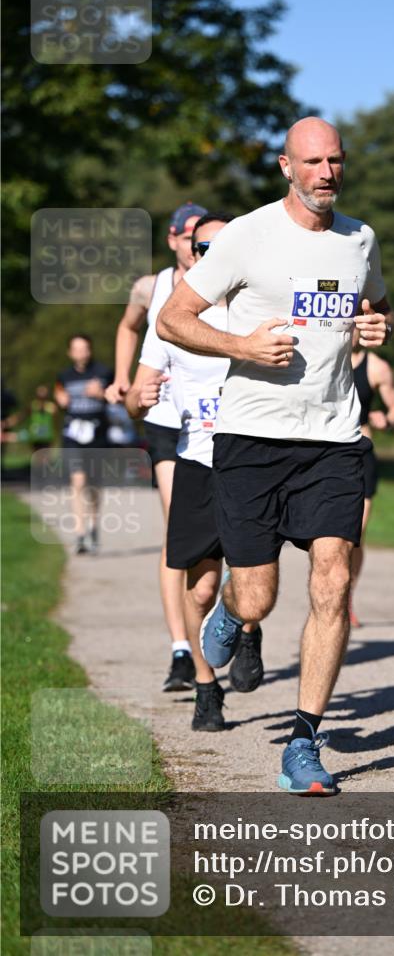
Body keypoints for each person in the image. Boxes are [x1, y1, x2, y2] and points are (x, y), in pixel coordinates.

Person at [157, 116, 394, 794]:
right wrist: (240, 346)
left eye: (336, 161)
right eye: (312, 161)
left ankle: (303, 741)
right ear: (286, 167)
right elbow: (176, 317)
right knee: (258, 597)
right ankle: (233, 613)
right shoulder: (245, 236)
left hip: (332, 438)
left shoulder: (359, 238)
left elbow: (378, 307)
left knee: (333, 580)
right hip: (252, 438)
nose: (326, 173)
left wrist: (379, 324)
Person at [126, 212, 263, 729]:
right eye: (203, 246)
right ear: (189, 251)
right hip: (198, 463)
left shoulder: (257, 307)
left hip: (253, 462)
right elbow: (136, 404)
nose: (211, 255)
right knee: (200, 588)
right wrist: (139, 399)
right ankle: (207, 686)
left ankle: (247, 626)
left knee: (253, 583)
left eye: (224, 246)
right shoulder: (172, 317)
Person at [106, 202, 208, 694]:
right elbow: (128, 326)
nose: (196, 243)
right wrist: (124, 379)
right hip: (166, 421)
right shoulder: (151, 287)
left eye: (203, 235)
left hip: (216, 423)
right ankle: (181, 649)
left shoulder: (227, 283)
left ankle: (231, 621)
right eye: (189, 235)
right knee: (178, 526)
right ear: (172, 240)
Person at [349, 327, 394, 626]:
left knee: (355, 534)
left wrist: (388, 419)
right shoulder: (328, 361)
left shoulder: (377, 367)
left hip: (362, 451)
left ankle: (347, 598)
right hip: (328, 454)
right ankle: (330, 590)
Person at [54, 335, 112, 554]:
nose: (81, 353)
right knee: (77, 481)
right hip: (73, 434)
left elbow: (117, 397)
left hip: (97, 434)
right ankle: (79, 534)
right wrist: (60, 401)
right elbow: (58, 396)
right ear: (70, 352)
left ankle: (93, 526)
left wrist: (102, 394)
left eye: (85, 348)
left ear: (90, 350)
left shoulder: (104, 372)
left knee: (94, 485)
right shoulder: (63, 376)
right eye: (76, 349)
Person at [27, 385, 57, 452]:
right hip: (35, 436)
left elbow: (54, 414)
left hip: (47, 436)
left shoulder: (51, 406)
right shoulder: (33, 405)